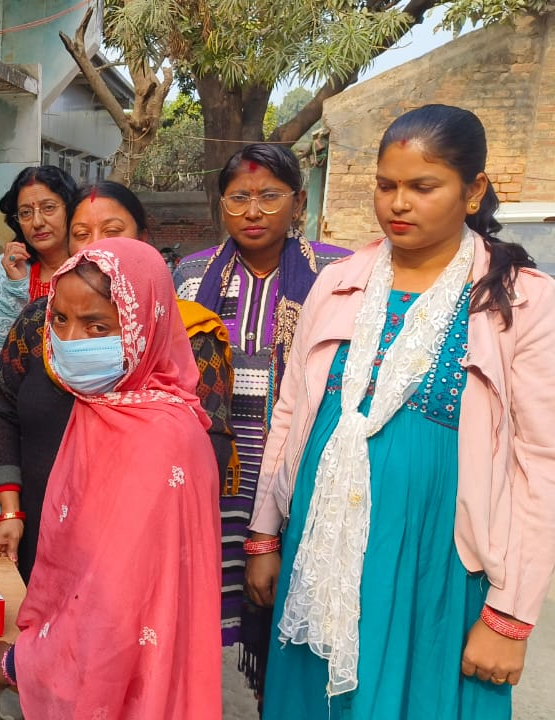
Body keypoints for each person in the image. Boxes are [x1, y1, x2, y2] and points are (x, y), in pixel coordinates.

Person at [245, 104, 555, 719]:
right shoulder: (338, 283)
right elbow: (292, 411)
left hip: (435, 562)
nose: (398, 203)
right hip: (319, 544)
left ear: (473, 191)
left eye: (423, 186)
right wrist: (264, 533)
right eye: (386, 185)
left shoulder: (521, 300)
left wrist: (511, 613)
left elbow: (540, 463)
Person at [0, 237, 222, 719]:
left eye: (97, 326)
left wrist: (19, 663)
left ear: (144, 323)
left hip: (124, 672)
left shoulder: (162, 437)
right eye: (60, 320)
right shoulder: (103, 408)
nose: (70, 341)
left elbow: (115, 605)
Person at [0, 180, 235, 586]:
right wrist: (10, 511)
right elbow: (1, 410)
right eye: (81, 234)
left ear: (144, 240)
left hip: (133, 556)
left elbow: (206, 448)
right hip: (39, 532)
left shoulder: (186, 334)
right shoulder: (39, 322)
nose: (97, 245)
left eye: (113, 231)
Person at [173, 142, 349, 691]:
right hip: (216, 463)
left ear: (299, 201)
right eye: (239, 198)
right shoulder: (192, 274)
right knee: (207, 591)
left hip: (296, 461)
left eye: (270, 197)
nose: (253, 211)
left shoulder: (336, 271)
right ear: (221, 204)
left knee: (291, 596)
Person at [0, 165, 77, 557]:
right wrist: (14, 287)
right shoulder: (3, 270)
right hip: (8, 416)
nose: (37, 221)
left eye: (49, 208)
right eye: (26, 212)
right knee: (4, 524)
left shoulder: (92, 268)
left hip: (73, 421)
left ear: (69, 208)